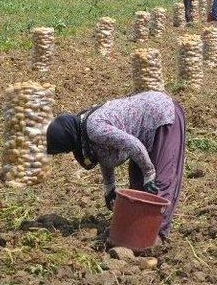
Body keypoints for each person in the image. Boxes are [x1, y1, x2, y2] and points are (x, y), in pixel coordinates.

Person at [46, 91, 186, 241]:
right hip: (143, 130)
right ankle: (136, 230)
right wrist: (109, 187)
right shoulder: (84, 130)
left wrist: (149, 173)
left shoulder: (94, 128)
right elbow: (104, 154)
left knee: (160, 181)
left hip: (161, 115)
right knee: (138, 183)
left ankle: (153, 236)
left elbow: (132, 145)